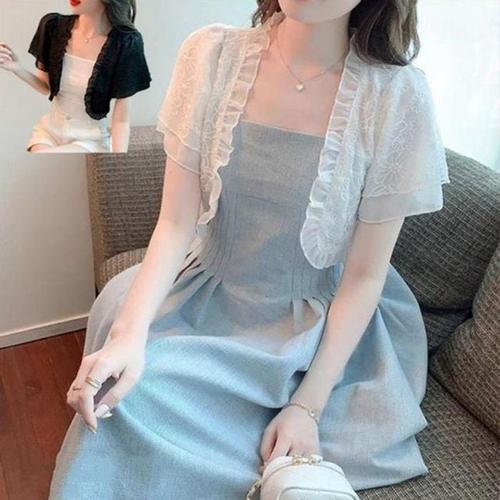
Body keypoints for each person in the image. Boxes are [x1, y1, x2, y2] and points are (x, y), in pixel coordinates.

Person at [48, 0, 450, 498]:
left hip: (320, 327)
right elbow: (175, 223)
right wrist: (128, 336)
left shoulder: (396, 97)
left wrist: (307, 406)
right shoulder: (212, 55)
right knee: (121, 397)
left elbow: (365, 277)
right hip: (204, 297)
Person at [0, 0, 151, 153]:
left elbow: (121, 119)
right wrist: (17, 69)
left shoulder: (126, 42)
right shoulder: (53, 26)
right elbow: (46, 88)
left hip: (90, 139)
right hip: (49, 132)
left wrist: (118, 159)